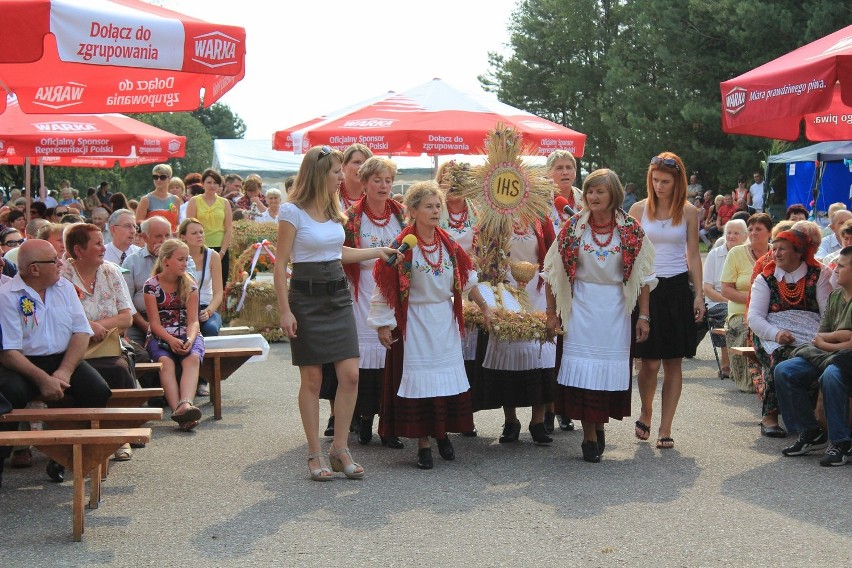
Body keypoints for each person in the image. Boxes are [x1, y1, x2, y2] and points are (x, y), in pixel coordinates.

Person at [274, 145, 399, 481]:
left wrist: (377, 251)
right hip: (306, 298)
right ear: (319, 173)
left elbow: (337, 252)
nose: (342, 176)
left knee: (350, 375)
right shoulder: (291, 212)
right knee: (312, 379)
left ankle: (340, 447)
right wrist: (285, 311)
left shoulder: (334, 209)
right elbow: (280, 263)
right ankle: (315, 452)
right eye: (336, 171)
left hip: (338, 297)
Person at [369, 180, 491, 469]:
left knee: (443, 381)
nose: (436, 210)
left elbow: (467, 278)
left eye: (438, 205)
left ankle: (442, 434)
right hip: (414, 322)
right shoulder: (403, 245)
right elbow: (384, 286)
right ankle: (424, 441)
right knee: (421, 383)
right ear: (413, 210)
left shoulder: (448, 244)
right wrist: (383, 324)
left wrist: (485, 306)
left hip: (443, 320)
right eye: (429, 206)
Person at [543, 169, 655, 463]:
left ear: (613, 195)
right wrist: (552, 313)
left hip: (616, 308)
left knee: (604, 371)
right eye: (590, 191)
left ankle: (599, 422)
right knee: (582, 371)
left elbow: (644, 277)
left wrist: (644, 316)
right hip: (580, 305)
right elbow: (552, 273)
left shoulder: (631, 230)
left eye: (600, 192)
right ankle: (588, 434)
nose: (592, 196)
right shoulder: (573, 228)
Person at [0, 240, 111, 488]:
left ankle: (66, 457)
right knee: (9, 394)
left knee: (98, 391)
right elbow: (8, 352)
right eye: (54, 260)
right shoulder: (6, 296)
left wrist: (64, 370)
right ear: (34, 269)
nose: (61, 263)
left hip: (63, 359)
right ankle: (4, 455)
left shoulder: (65, 288)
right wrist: (44, 379)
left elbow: (82, 333)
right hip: (21, 363)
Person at [628, 152, 704, 449]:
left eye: (666, 181)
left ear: (677, 182)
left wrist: (698, 294)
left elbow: (694, 255)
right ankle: (646, 411)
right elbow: (630, 254)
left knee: (674, 363)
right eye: (655, 180)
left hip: (676, 288)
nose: (659, 186)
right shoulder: (637, 209)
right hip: (646, 289)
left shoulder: (688, 212)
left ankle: (666, 426)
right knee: (648, 363)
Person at [342, 157, 406, 449]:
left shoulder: (402, 215)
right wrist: (374, 254)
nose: (383, 186)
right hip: (362, 292)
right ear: (364, 182)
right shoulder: (351, 217)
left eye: (388, 180)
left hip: (394, 294)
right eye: (377, 180)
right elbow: (340, 255)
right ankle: (365, 416)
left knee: (393, 359)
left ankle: (390, 424)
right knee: (367, 361)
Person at [60, 223, 137, 460]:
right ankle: (77, 437)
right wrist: (85, 328)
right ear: (78, 250)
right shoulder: (62, 276)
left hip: (109, 346)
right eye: (97, 243)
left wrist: (96, 326)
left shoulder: (110, 271)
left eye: (102, 242)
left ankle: (120, 436)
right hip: (71, 348)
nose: (104, 248)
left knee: (119, 370)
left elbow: (127, 317)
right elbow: (57, 318)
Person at [747, 229, 832, 439]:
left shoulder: (819, 275)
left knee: (814, 357)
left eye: (782, 249)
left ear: (799, 251)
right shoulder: (765, 278)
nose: (776, 253)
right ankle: (770, 417)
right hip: (771, 333)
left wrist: (820, 337)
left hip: (812, 333)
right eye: (773, 249)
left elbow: (827, 314)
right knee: (782, 357)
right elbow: (755, 317)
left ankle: (811, 418)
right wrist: (776, 334)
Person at [774, 246, 852, 466]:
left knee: (831, 375)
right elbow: (823, 332)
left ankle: (841, 442)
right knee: (785, 370)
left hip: (845, 358)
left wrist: (827, 343)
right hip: (831, 353)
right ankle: (810, 432)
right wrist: (831, 341)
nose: (835, 270)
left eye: (842, 266)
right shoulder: (836, 296)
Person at [144, 239, 205, 432]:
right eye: (180, 259)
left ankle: (185, 404)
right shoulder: (151, 286)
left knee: (192, 358)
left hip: (188, 334)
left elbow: (194, 321)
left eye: (186, 259)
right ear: (166, 260)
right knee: (166, 362)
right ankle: (178, 411)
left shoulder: (190, 285)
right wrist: (170, 340)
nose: (184, 264)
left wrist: (190, 339)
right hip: (161, 336)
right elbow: (154, 324)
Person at [720, 213, 772, 394]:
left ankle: (773, 378)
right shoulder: (736, 253)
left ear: (770, 233)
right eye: (750, 229)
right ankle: (754, 381)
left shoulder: (776, 253)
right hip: (741, 313)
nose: (753, 233)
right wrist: (755, 300)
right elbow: (726, 290)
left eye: (759, 229)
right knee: (748, 332)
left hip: (772, 313)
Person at [122, 216, 190, 347]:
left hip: (176, 317)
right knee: (137, 353)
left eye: (167, 235)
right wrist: (146, 325)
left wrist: (166, 261)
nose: (164, 241)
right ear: (145, 237)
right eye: (158, 236)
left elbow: (191, 287)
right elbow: (126, 301)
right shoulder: (132, 262)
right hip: (141, 319)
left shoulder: (184, 257)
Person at [178, 218, 224, 397]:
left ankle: (204, 381)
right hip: (184, 306)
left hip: (206, 305)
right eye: (194, 233)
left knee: (210, 328)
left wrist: (210, 310)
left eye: (201, 232)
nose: (199, 236)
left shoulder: (212, 256)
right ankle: (183, 379)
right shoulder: (177, 255)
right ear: (183, 237)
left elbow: (219, 292)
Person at [704, 219, 748, 379]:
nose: (731, 236)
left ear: (745, 236)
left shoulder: (748, 253)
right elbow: (707, 288)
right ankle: (726, 363)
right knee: (726, 315)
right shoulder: (715, 255)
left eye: (736, 233)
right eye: (729, 232)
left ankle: (749, 364)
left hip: (743, 301)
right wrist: (728, 300)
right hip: (717, 301)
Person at [185, 169, 233, 287]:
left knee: (219, 285)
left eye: (215, 183)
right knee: (197, 283)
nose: (212, 185)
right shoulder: (194, 201)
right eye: (209, 182)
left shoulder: (224, 202)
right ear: (203, 183)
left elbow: (228, 229)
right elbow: (189, 226)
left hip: (219, 247)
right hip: (199, 247)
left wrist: (222, 252)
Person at [135, 164, 182, 232]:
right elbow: (138, 222)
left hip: (171, 238)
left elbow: (176, 223)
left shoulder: (175, 199)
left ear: (169, 179)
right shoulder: (146, 199)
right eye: (155, 177)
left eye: (162, 177)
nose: (158, 180)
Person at [547, 149, 583, 232]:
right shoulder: (539, 202)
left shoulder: (586, 200)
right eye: (559, 168)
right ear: (548, 173)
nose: (565, 172)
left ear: (575, 172)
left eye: (569, 167)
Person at [339, 144, 373, 210]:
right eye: (357, 162)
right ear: (343, 167)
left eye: (367, 163)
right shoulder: (330, 196)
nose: (362, 167)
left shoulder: (376, 197)